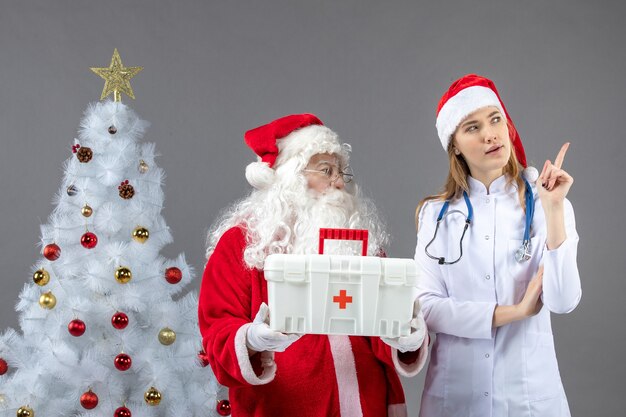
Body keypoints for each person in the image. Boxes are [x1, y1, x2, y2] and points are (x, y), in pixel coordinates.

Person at [199, 114, 429, 417]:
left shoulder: (360, 242)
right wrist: (251, 340)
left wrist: (405, 336)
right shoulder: (241, 243)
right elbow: (217, 328)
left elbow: (380, 330)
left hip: (367, 405)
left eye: (341, 172)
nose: (338, 182)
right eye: (326, 170)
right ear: (290, 178)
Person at [414, 74, 581, 417]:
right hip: (455, 398)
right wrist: (512, 313)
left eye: (495, 119)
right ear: (455, 145)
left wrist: (552, 211)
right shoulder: (435, 215)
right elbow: (425, 307)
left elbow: (563, 301)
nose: (489, 133)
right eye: (472, 127)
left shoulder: (547, 203)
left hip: (529, 398)